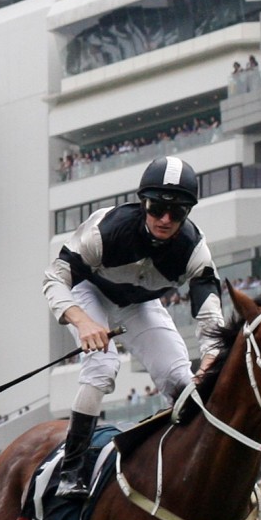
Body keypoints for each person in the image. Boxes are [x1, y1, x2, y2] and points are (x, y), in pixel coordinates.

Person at [41, 155, 223, 498]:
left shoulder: (193, 249)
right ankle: (72, 468)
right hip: (88, 290)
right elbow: (55, 277)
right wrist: (82, 322)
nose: (166, 219)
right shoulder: (106, 230)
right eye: (157, 208)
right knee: (102, 365)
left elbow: (209, 307)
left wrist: (213, 354)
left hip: (139, 302)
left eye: (178, 212)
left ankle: (194, 464)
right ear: (143, 202)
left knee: (179, 378)